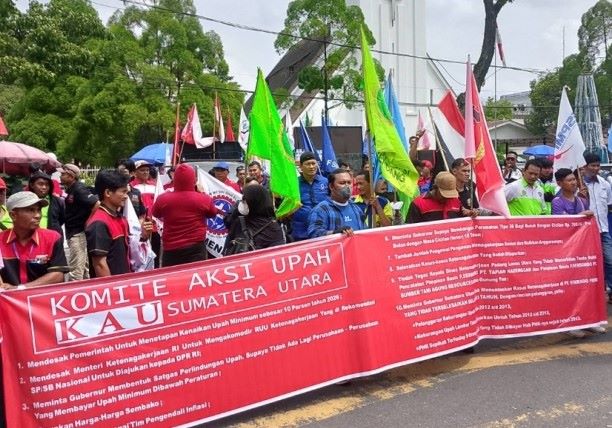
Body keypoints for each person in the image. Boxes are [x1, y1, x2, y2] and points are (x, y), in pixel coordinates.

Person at [552, 168, 604, 336]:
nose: (574, 182)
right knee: (568, 288)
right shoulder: (557, 202)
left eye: (574, 179)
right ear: (560, 183)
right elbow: (561, 226)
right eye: (569, 180)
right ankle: (569, 324)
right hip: (566, 251)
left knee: (585, 285)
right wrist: (581, 215)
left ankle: (588, 320)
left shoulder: (581, 200)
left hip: (583, 250)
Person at [152, 163, 221, 267]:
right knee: (195, 275)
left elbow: (155, 213)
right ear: (194, 180)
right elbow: (212, 213)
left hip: (171, 248)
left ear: (175, 179)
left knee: (173, 276)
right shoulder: (203, 199)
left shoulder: (163, 198)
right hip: (196, 247)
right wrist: (202, 193)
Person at [0, 191, 68, 289]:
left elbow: (58, 275)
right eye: (31, 210)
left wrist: (20, 288)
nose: (38, 215)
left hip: (41, 298)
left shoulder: (53, 238)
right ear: (13, 215)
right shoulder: (1, 240)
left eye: (39, 210)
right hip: (8, 298)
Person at [85, 169, 132, 278]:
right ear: (107, 193)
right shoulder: (98, 224)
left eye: (127, 192)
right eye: (123, 192)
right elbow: (99, 264)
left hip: (124, 281)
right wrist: (112, 287)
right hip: (113, 285)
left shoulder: (119, 218)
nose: (126, 196)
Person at [581, 152, 612, 306]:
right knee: (589, 263)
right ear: (585, 166)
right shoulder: (578, 184)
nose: (596, 168)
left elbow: (609, 205)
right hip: (586, 232)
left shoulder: (605, 184)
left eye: (598, 165)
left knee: (610, 260)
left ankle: (610, 291)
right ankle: (591, 295)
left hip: (604, 229)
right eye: (592, 165)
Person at [59, 163, 99, 281]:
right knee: (83, 268)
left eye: (63, 174)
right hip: (75, 232)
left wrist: (89, 221)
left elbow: (96, 204)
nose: (60, 176)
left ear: (71, 176)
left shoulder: (79, 189)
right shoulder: (71, 189)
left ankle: (74, 289)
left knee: (76, 269)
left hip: (78, 233)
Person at [224, 184, 285, 254]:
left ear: (254, 202)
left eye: (245, 200)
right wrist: (236, 210)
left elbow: (277, 254)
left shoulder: (273, 229)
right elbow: (227, 223)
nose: (243, 202)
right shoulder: (239, 221)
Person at [307, 168, 365, 238]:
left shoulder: (356, 208)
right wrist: (335, 233)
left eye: (349, 183)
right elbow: (314, 234)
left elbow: (364, 231)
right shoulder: (321, 210)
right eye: (342, 183)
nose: (347, 186)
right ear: (331, 186)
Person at [291, 152, 328, 241]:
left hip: (323, 228)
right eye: (308, 164)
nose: (311, 167)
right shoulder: (294, 183)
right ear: (301, 166)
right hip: (301, 231)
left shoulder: (325, 182)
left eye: (313, 163)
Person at [28, 170, 65, 236]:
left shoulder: (57, 201)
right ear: (32, 185)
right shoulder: (25, 201)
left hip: (53, 237)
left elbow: (61, 219)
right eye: (40, 184)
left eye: (47, 185)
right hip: (32, 237)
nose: (44, 187)